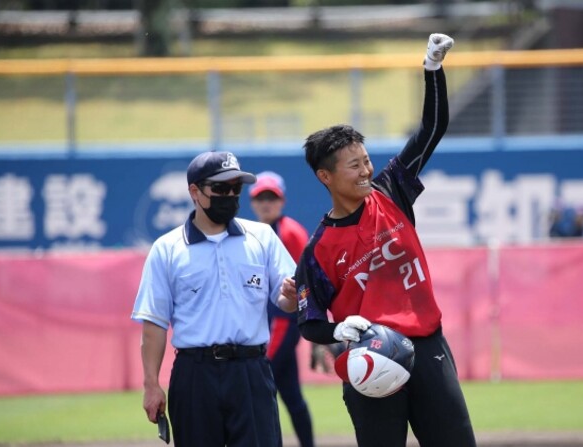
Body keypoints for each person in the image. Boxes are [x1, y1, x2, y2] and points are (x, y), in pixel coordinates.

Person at [294, 33, 476, 447]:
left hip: (428, 348)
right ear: (325, 176)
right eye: (353, 166)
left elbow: (432, 129)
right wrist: (340, 330)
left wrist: (432, 69)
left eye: (366, 161)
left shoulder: (390, 190)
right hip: (368, 360)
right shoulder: (318, 249)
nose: (364, 171)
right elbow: (310, 323)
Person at [131, 151, 298, 447]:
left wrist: (293, 297)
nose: (230, 195)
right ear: (195, 192)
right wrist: (151, 384)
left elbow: (287, 301)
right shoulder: (167, 249)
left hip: (251, 371)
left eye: (236, 188)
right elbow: (154, 323)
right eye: (220, 188)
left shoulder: (262, 237)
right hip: (195, 375)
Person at [249, 171, 314, 447]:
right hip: (273, 323)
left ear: (282, 200)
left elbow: (309, 278)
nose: (266, 203)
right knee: (290, 394)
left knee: (261, 388)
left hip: (282, 324)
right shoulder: (257, 233)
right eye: (260, 197)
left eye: (271, 197)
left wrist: (315, 326)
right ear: (252, 202)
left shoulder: (289, 232)